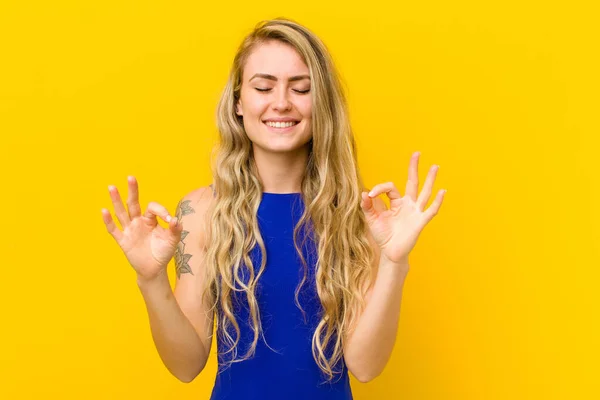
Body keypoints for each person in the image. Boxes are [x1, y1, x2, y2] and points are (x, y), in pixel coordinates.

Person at [101, 17, 445, 400]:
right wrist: (151, 279)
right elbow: (185, 365)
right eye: (263, 86)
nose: (281, 102)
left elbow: (366, 366)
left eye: (301, 89)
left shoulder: (358, 212)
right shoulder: (200, 210)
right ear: (238, 102)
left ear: (322, 103)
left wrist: (394, 262)